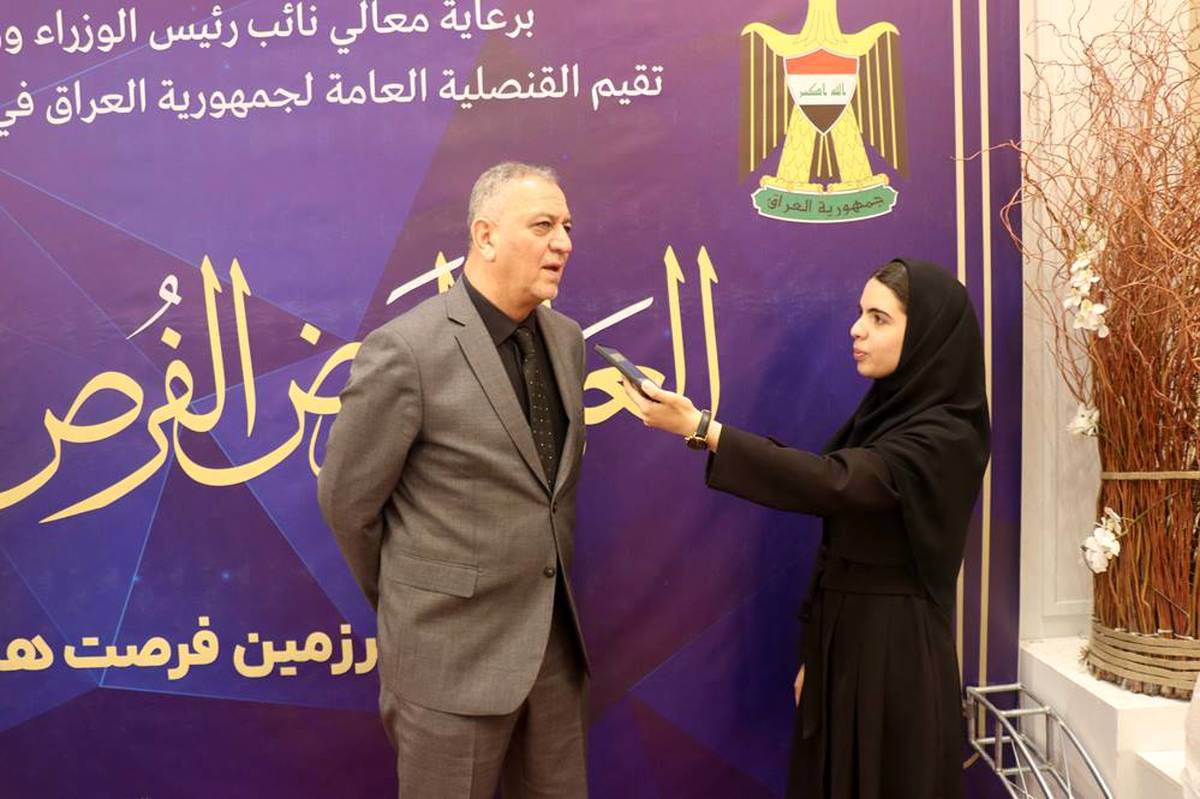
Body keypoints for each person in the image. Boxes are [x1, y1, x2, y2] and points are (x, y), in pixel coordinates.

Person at [622, 259, 990, 798]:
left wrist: (703, 429)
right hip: (844, 640)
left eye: (879, 318)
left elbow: (832, 483)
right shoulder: (885, 416)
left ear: (926, 337)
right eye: (861, 314)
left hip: (895, 655)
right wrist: (818, 655)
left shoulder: (946, 435)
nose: (857, 329)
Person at [318, 162, 590, 798]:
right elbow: (346, 504)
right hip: (448, 663)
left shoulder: (567, 341)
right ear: (485, 236)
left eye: (567, 227)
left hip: (552, 659)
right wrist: (415, 602)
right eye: (543, 226)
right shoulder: (406, 350)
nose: (563, 243)